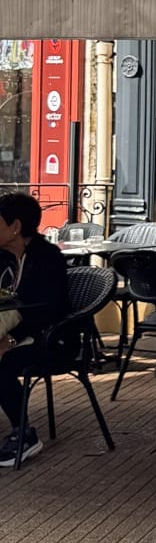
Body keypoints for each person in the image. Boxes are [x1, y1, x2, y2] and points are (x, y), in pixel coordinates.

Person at [0, 193, 70, 466]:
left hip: (50, 339)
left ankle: (24, 434)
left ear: (15, 227)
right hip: (12, 332)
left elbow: (49, 310)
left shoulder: (47, 259)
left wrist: (12, 340)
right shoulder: (3, 258)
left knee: (2, 362)